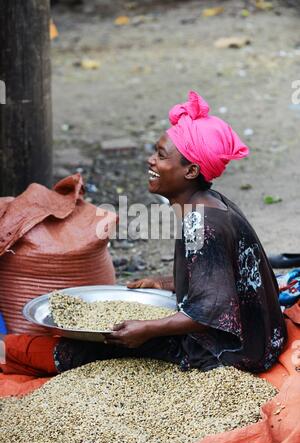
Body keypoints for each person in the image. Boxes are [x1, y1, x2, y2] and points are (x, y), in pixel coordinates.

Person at [1, 91, 287, 377]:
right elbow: (220, 276)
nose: (151, 161)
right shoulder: (213, 202)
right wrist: (164, 283)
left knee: (92, 350)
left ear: (191, 170)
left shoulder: (201, 223)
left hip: (237, 352)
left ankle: (11, 352)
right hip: (264, 336)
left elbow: (212, 312)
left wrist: (147, 328)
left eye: (161, 156)